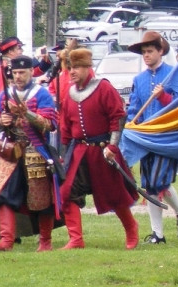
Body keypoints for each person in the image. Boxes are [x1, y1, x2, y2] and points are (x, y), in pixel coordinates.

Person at [58, 49, 139, 250]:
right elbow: (66, 127)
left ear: (87, 67)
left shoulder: (104, 88)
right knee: (67, 192)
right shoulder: (69, 94)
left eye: (76, 67)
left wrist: (112, 146)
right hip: (79, 152)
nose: (72, 72)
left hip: (103, 150)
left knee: (115, 194)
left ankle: (131, 229)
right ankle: (76, 238)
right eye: (70, 67)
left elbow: (118, 117)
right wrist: (62, 155)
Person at [0, 56, 60, 252]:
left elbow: (49, 124)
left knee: (41, 198)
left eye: (22, 72)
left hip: (35, 149)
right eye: (15, 73)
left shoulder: (41, 94)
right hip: (10, 150)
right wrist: (3, 120)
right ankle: (6, 240)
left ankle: (45, 241)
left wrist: (27, 114)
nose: (18, 76)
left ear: (30, 72)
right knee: (3, 194)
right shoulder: (5, 95)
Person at [124, 31, 178, 245]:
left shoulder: (173, 75)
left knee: (158, 181)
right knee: (149, 185)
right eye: (144, 52)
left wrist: (164, 96)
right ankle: (158, 234)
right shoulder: (139, 80)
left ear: (160, 51)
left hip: (167, 136)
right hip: (145, 137)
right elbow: (135, 108)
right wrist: (130, 123)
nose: (146, 55)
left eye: (150, 51)